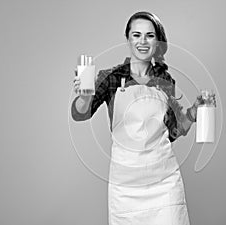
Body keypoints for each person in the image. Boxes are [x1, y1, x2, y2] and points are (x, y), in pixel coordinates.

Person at [71, 11, 200, 225]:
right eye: (136, 35)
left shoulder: (165, 80)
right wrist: (85, 96)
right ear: (128, 39)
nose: (143, 41)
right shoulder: (111, 77)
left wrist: (194, 112)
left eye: (149, 35)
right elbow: (80, 113)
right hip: (126, 187)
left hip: (164, 182)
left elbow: (173, 131)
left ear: (157, 42)